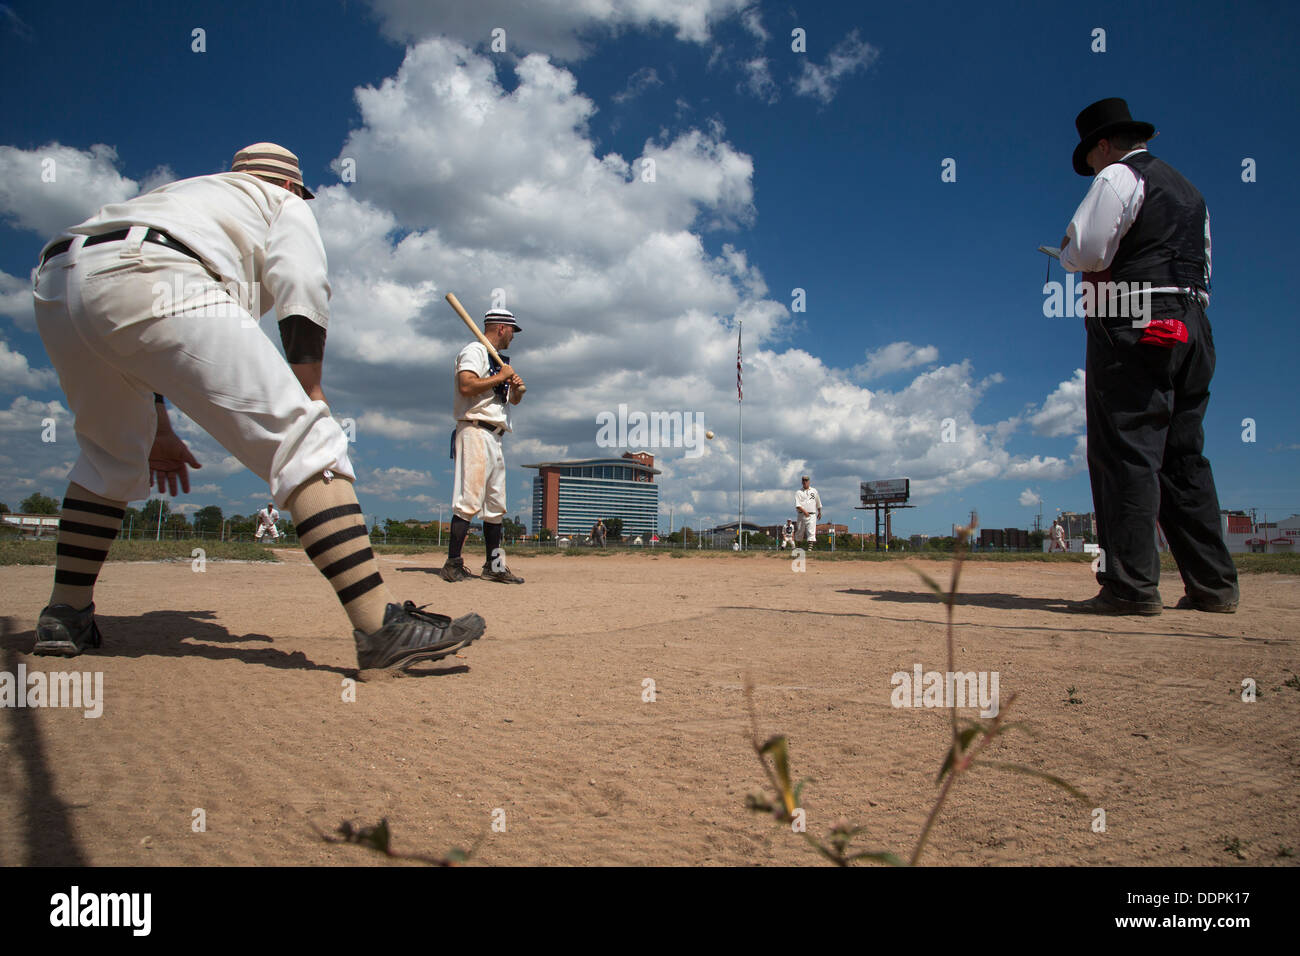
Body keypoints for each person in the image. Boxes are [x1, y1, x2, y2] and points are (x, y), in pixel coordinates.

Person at [30, 143, 485, 674]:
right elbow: (303, 285)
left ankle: (65, 615)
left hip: (59, 282)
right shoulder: (280, 200)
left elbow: (132, 329)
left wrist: (158, 423)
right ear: (291, 185)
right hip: (156, 268)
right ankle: (380, 629)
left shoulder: (186, 194)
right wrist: (310, 392)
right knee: (309, 441)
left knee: (107, 459)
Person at [1058, 99, 1238, 615]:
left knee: (1126, 452)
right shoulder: (1190, 192)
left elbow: (1088, 251)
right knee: (1183, 457)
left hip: (1136, 319)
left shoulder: (1117, 175)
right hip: (1193, 324)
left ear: (1102, 145)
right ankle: (1213, 585)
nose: (1091, 168)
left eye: (1090, 158)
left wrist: (1067, 249)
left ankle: (1130, 587)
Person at [440, 308, 527, 584]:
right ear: (501, 328)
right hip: (475, 430)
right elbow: (466, 386)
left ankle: (495, 566)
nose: (513, 336)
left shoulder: (497, 359)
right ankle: (453, 563)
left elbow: (508, 401)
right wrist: (502, 377)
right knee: (468, 500)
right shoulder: (475, 351)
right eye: (512, 330)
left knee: (495, 505)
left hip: (496, 435)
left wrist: (517, 391)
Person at [794, 476, 821, 550]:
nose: (805, 482)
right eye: (803, 480)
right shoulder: (798, 492)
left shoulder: (814, 491)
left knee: (811, 530)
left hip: (812, 514)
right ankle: (798, 546)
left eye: (806, 480)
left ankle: (810, 547)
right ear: (802, 482)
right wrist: (805, 512)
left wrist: (819, 512)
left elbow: (818, 502)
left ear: (809, 481)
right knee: (800, 530)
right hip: (801, 514)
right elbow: (798, 505)